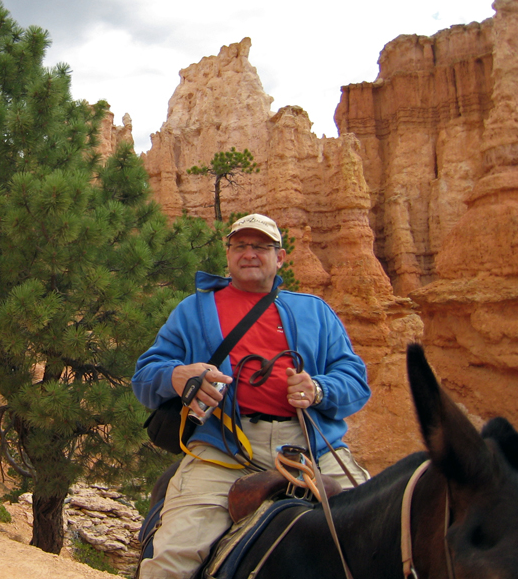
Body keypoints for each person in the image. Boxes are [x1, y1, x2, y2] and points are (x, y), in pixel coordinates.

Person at [132, 213, 371, 579]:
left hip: (313, 449)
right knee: (172, 560)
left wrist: (318, 389)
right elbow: (145, 376)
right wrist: (177, 376)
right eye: (240, 245)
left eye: (260, 246)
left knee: (379, 533)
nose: (249, 253)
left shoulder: (315, 312)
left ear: (280, 257)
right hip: (224, 449)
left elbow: (355, 380)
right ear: (227, 255)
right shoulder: (195, 310)